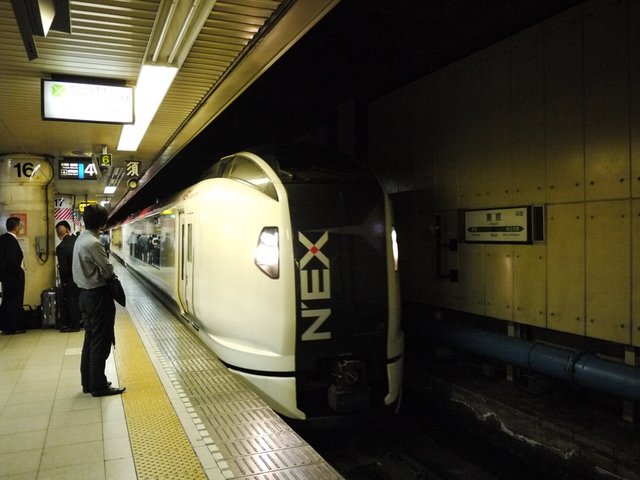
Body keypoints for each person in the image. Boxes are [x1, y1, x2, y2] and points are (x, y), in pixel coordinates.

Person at [72, 204, 125, 397]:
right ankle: (99, 386)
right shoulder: (94, 243)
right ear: (102, 223)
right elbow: (108, 269)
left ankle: (88, 382)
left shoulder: (81, 239)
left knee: (90, 340)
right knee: (99, 342)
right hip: (97, 296)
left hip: (85, 295)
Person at [0, 217, 26, 335]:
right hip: (13, 277)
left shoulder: (3, 239)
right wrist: (19, 272)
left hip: (6, 277)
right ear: (16, 227)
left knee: (7, 300)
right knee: (14, 301)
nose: (22, 227)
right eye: (20, 225)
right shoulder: (11, 241)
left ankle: (6, 325)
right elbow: (11, 260)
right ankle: (12, 326)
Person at [55, 220, 81, 332]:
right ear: (69, 229)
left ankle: (74, 325)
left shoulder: (61, 247)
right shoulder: (78, 241)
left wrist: (64, 282)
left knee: (72, 301)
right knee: (80, 300)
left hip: (71, 280)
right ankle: (82, 321)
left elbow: (64, 268)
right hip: (83, 277)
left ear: (58, 233)